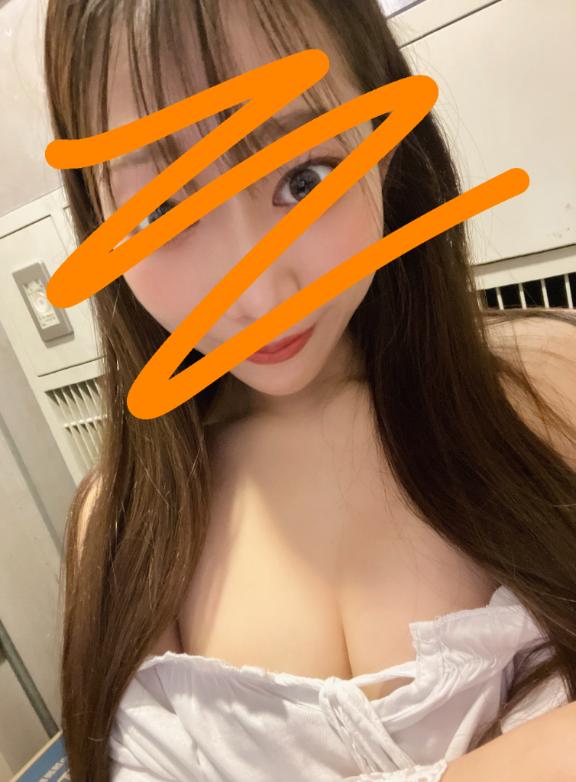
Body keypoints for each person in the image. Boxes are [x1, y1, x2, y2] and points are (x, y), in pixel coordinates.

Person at [43, 1, 576, 780]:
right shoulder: (118, 527)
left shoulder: (550, 385)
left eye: (305, 177)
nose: (259, 294)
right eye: (162, 210)